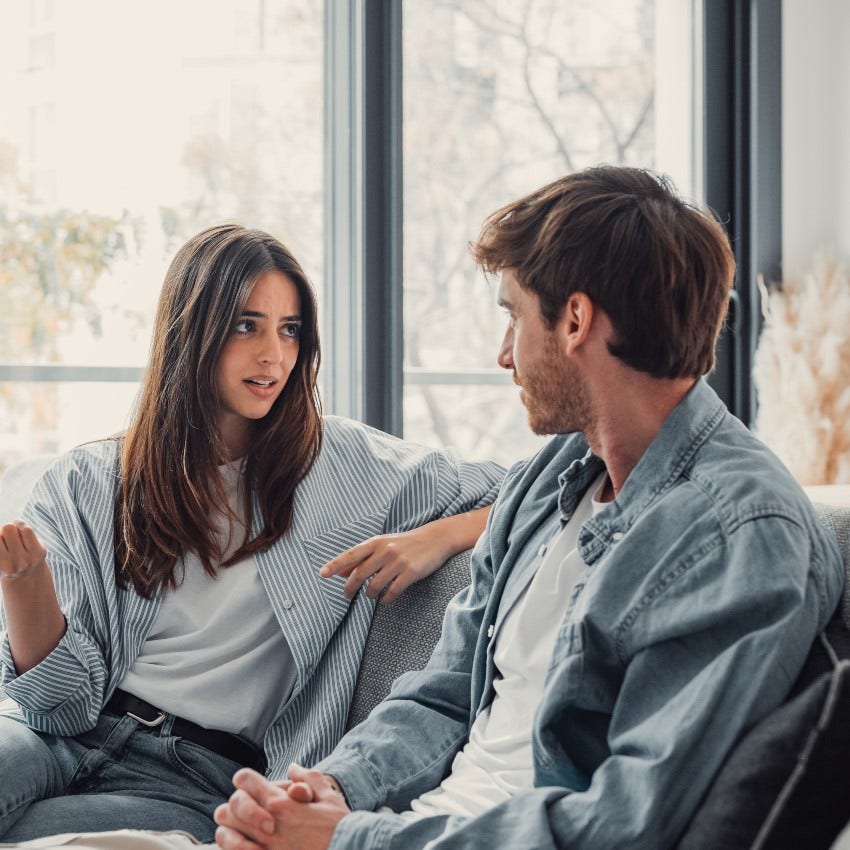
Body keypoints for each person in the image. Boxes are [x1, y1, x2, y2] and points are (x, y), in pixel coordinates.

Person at [212, 166, 845, 850]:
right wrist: (328, 792)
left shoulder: (741, 533)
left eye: (514, 315)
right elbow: (447, 689)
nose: (503, 354)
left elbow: (625, 825)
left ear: (575, 320)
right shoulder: (549, 481)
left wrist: (348, 841)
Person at [0, 224, 505, 842]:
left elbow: (533, 488)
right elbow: (64, 706)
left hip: (196, 777)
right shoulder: (90, 481)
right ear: (192, 331)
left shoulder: (345, 465)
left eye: (290, 330)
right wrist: (25, 586)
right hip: (58, 736)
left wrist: (440, 536)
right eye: (248, 325)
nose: (274, 354)